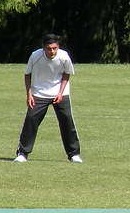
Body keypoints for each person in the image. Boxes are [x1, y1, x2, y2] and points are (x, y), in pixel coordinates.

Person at [14, 34, 83, 163]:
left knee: (67, 121)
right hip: (39, 93)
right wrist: (29, 94)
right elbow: (27, 74)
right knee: (31, 120)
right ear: (43, 48)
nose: (52, 51)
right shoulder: (35, 56)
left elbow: (67, 74)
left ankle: (74, 154)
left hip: (60, 93)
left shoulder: (64, 56)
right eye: (48, 48)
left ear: (58, 47)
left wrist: (60, 93)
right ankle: (22, 153)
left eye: (54, 48)